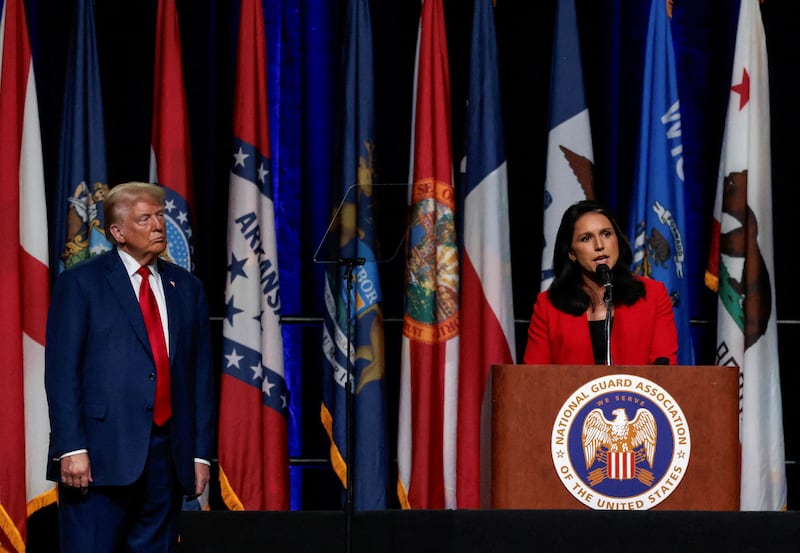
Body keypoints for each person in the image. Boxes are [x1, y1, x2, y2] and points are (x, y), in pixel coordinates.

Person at [45, 182, 215, 553]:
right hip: (98, 455)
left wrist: (199, 454)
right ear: (118, 232)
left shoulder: (187, 287)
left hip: (167, 457)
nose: (158, 226)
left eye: (159, 216)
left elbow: (199, 377)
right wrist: (71, 447)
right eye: (145, 218)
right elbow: (62, 372)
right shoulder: (80, 282)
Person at [523, 200, 678, 365]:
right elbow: (534, 379)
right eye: (586, 238)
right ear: (571, 253)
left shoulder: (653, 295)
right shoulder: (548, 306)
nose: (599, 245)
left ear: (617, 240)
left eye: (606, 234)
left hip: (635, 391)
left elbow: (665, 370)